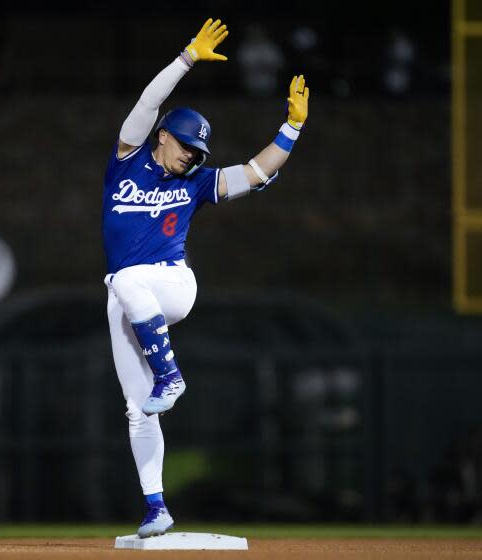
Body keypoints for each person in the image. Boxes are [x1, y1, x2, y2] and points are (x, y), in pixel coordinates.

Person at [102, 18, 309, 538]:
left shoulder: (196, 182)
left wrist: (293, 128)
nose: (192, 155)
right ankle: (156, 507)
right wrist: (186, 58)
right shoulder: (127, 158)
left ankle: (171, 376)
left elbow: (258, 172)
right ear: (163, 137)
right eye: (186, 146)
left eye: (198, 152)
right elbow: (148, 102)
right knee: (136, 409)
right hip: (127, 297)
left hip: (171, 286)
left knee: (126, 281)